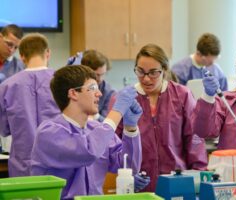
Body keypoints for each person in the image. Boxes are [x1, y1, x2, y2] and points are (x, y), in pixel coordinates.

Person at [31, 65, 143, 199]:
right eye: (92, 88)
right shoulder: (49, 133)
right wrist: (116, 113)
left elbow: (128, 164)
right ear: (73, 93)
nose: (99, 94)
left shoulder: (97, 129)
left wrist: (130, 128)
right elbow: (88, 151)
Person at [115, 44, 208, 191]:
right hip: (138, 186)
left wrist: (199, 175)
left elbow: (194, 138)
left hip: (177, 181)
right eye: (140, 72)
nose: (146, 79)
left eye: (153, 73)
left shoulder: (182, 95)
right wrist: (126, 174)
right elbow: (114, 144)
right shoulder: (125, 98)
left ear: (164, 71)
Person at [0, 33, 60, 177]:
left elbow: (4, 129)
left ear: (22, 56)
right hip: (58, 158)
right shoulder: (62, 81)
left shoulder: (7, 86)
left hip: (23, 162)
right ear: (48, 53)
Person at [67, 50, 115, 121]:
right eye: (97, 75)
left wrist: (95, 115)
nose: (100, 79)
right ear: (85, 71)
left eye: (103, 74)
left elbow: (107, 123)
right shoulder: (73, 87)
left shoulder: (108, 92)